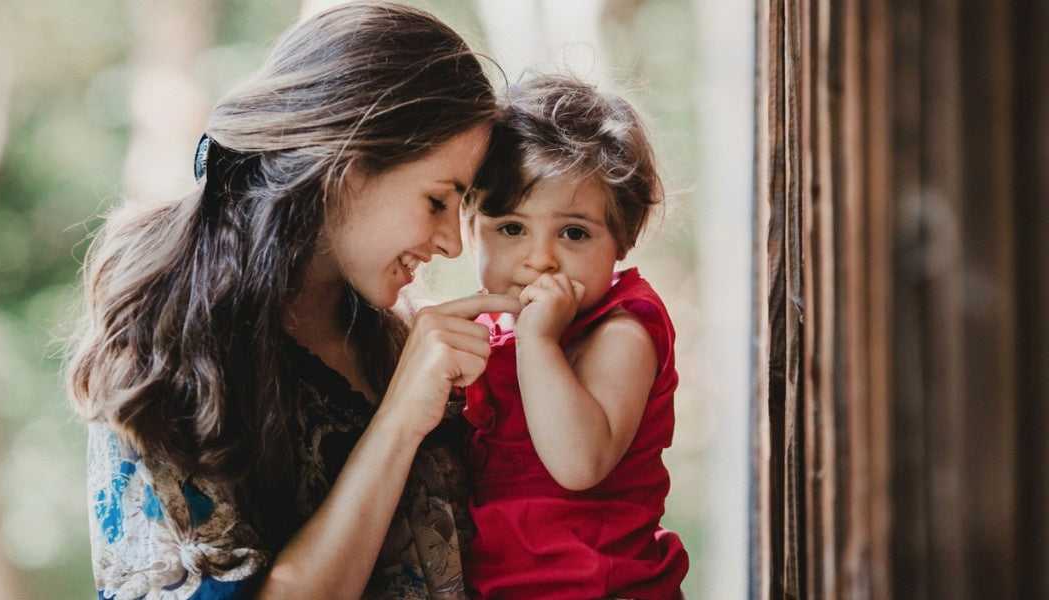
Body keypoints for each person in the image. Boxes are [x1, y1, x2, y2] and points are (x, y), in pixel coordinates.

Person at [66, 3, 522, 598]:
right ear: (346, 162)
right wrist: (397, 423)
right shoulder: (162, 348)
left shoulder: (396, 340)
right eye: (438, 200)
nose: (452, 243)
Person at [459, 73, 689, 599]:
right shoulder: (484, 329)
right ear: (472, 229)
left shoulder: (623, 328)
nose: (539, 259)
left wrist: (539, 343)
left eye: (574, 233)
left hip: (604, 587)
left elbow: (579, 463)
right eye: (511, 228)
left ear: (624, 237)